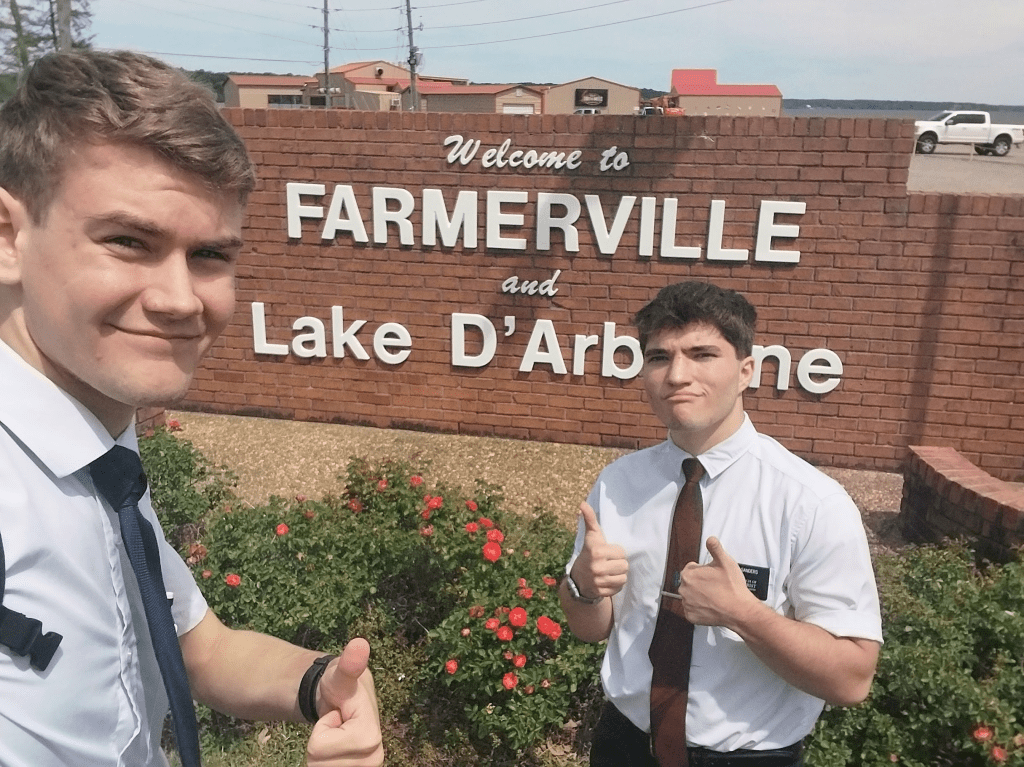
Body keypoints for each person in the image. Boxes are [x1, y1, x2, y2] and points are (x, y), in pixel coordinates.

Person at [0, 51, 383, 767]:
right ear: (7, 235)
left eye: (209, 254)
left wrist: (321, 684)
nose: (180, 300)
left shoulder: (101, 456)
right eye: (128, 241)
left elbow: (201, 647)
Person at [560, 281, 882, 767]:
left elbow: (852, 680)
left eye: (702, 354)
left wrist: (742, 614)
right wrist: (583, 588)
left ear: (746, 370)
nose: (677, 375)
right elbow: (590, 628)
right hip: (623, 745)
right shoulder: (618, 484)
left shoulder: (811, 503)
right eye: (659, 357)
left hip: (746, 758)